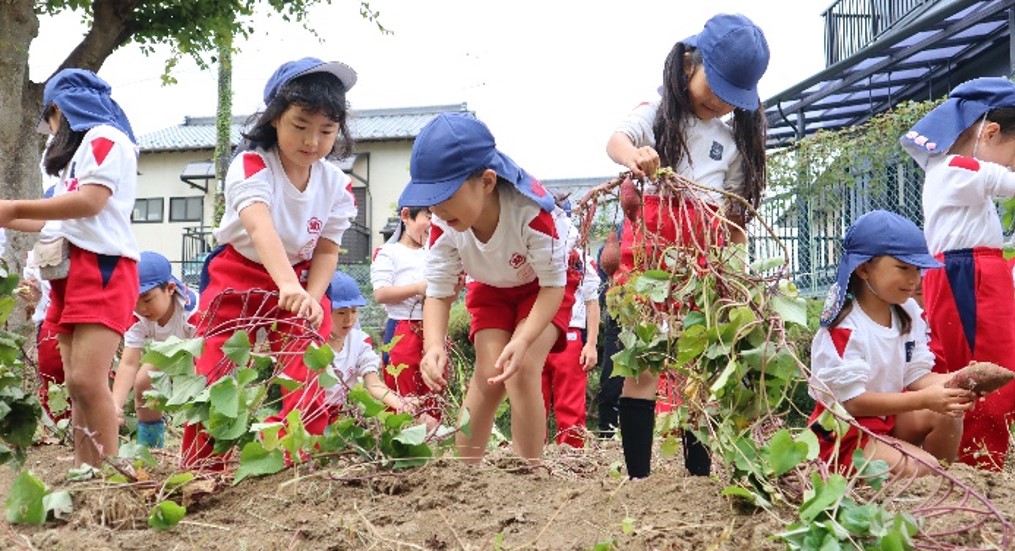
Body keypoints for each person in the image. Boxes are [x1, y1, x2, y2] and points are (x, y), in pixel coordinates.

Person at [604, 13, 770, 479]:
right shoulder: (658, 114)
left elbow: (735, 215)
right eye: (715, 89)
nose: (720, 104)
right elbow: (616, 139)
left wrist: (734, 268)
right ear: (688, 66)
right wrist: (635, 156)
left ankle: (699, 473)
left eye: (731, 99)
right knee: (644, 359)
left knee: (698, 364)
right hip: (651, 259)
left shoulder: (732, 142)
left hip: (703, 263)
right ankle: (639, 475)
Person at [181, 57, 358, 468]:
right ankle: (201, 469)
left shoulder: (337, 184)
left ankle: (287, 460)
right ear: (275, 118)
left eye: (326, 131)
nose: (312, 141)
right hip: (239, 272)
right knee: (214, 372)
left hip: (301, 278)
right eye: (300, 125)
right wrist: (288, 287)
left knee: (309, 374)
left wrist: (310, 296)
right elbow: (261, 230)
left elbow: (327, 250)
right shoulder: (251, 165)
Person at [400, 112, 578, 464]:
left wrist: (524, 338)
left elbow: (553, 286)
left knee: (523, 366)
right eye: (430, 197)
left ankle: (530, 471)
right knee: (489, 371)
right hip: (492, 284)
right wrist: (433, 345)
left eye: (446, 194)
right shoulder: (444, 224)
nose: (437, 207)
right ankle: (464, 472)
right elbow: (439, 289)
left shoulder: (532, 215)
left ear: (486, 181)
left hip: (544, 286)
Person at [0, 68, 140, 467]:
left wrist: (13, 208)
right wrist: (8, 215)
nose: (52, 131)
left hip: (103, 268)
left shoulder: (105, 140)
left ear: (59, 111)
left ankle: (107, 469)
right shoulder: (73, 162)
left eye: (51, 121)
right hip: (67, 272)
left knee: (85, 380)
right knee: (74, 385)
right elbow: (55, 219)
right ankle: (85, 470)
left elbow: (90, 201)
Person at [900, 77, 1015, 471]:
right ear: (991, 132)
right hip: (969, 274)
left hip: (967, 271)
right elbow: (1008, 183)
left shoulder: (950, 169)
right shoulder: (959, 168)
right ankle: (982, 463)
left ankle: (973, 457)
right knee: (990, 366)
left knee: (964, 362)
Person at [808, 210, 974, 476]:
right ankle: (921, 478)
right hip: (846, 435)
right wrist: (923, 399)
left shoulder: (907, 312)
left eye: (918, 269)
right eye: (903, 267)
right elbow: (851, 403)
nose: (915, 280)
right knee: (927, 467)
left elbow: (916, 375)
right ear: (864, 268)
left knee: (949, 412)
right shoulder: (843, 328)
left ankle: (934, 482)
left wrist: (959, 380)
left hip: (887, 423)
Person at [323, 271, 436, 429]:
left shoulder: (359, 342)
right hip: (312, 412)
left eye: (354, 311)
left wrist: (402, 405)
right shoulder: (311, 345)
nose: (348, 320)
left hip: (343, 415)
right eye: (341, 312)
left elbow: (374, 384)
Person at [111, 251, 199, 447]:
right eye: (134, 300)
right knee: (143, 383)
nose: (141, 308)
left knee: (198, 391)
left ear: (170, 288)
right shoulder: (136, 318)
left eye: (147, 299)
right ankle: (151, 445)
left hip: (200, 350)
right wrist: (115, 405)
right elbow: (128, 363)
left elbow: (206, 353)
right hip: (170, 351)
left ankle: (197, 441)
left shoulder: (191, 310)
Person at [370, 203, 441, 418]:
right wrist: (418, 288)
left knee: (435, 389)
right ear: (405, 216)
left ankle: (434, 442)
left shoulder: (436, 252)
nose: (433, 224)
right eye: (428, 217)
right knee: (403, 392)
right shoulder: (389, 252)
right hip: (402, 330)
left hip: (434, 329)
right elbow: (381, 293)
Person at [542, 197, 602, 448]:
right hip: (535, 335)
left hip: (570, 336)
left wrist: (591, 344)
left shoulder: (581, 259)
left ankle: (572, 455)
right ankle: (531, 455)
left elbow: (592, 302)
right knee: (534, 399)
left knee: (570, 403)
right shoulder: (534, 251)